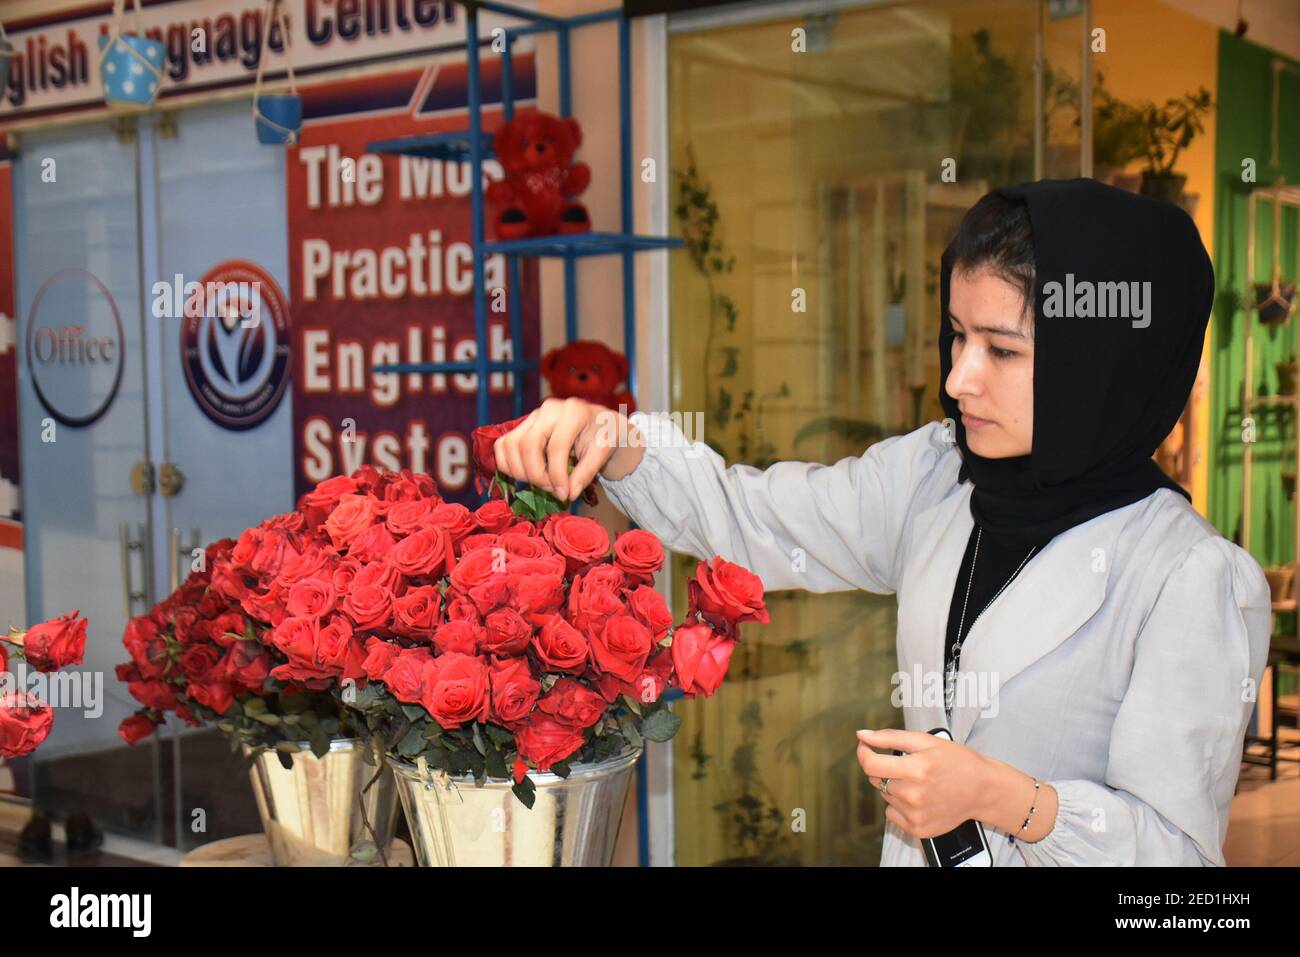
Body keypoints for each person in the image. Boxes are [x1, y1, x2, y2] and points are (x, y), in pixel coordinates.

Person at [491, 178, 1271, 866]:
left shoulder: (1190, 577)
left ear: (1101, 358)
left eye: (1002, 349)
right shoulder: (936, 476)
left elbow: (1179, 868)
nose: (959, 378)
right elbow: (751, 517)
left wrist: (1009, 799)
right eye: (958, 336)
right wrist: (616, 442)